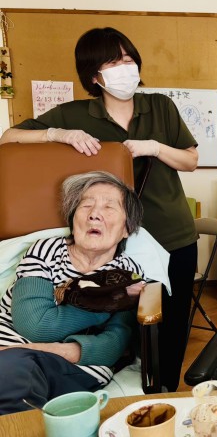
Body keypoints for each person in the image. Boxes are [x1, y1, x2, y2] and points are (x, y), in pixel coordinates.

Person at [0, 27, 198, 391]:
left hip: (172, 235)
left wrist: (155, 147)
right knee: (120, 320)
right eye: (113, 62)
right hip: (109, 240)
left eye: (129, 59)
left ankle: (164, 391)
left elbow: (190, 160)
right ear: (94, 75)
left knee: (168, 326)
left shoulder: (161, 106)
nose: (125, 67)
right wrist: (57, 135)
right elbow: (8, 138)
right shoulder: (75, 113)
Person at [0, 171, 146, 415]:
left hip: (68, 367)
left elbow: (113, 345)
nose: (94, 214)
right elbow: (34, 325)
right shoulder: (46, 251)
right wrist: (110, 302)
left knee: (14, 373)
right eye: (86, 205)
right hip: (8, 350)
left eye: (109, 207)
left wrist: (44, 350)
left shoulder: (128, 274)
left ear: (127, 229)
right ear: (73, 219)